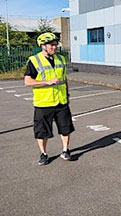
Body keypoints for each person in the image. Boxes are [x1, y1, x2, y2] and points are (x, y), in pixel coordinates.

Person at [24, 32, 75, 165]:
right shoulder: (34, 61)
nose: (54, 47)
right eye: (51, 45)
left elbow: (64, 79)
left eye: (55, 45)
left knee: (66, 128)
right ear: (43, 46)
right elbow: (28, 82)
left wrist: (67, 95)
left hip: (61, 101)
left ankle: (65, 150)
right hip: (44, 103)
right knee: (42, 131)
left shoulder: (61, 59)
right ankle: (43, 154)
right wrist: (47, 82)